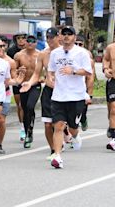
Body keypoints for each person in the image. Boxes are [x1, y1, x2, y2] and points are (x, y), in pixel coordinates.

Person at [47, 26, 92, 169]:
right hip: (59, 96)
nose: (66, 37)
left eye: (69, 34)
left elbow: (87, 72)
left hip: (76, 96)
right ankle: (58, 156)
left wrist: (72, 71)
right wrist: (51, 78)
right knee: (58, 126)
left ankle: (76, 136)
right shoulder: (55, 53)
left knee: (72, 128)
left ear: (74, 36)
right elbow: (50, 71)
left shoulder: (81, 53)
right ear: (60, 36)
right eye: (64, 34)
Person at [20, 27, 60, 160]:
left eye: (52, 37)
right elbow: (37, 74)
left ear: (58, 37)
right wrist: (29, 83)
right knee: (48, 124)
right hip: (48, 91)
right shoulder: (43, 54)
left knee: (61, 124)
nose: (49, 40)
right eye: (47, 37)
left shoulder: (66, 52)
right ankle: (54, 150)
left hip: (64, 92)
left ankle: (65, 135)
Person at [14, 34, 40, 148]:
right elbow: (13, 71)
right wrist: (18, 71)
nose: (30, 43)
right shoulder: (19, 55)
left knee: (30, 106)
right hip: (23, 85)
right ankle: (27, 132)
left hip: (35, 85)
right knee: (24, 109)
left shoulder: (40, 55)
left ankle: (29, 130)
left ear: (36, 43)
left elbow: (45, 70)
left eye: (32, 41)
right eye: (28, 40)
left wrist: (43, 78)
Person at [0, 37, 17, 155]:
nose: (2, 48)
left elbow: (13, 78)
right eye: (0, 46)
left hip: (5, 93)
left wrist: (18, 78)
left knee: (1, 120)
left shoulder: (10, 62)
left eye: (4, 46)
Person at [7, 31, 27, 141]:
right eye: (18, 38)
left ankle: (29, 124)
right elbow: (9, 67)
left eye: (23, 38)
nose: (21, 40)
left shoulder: (31, 50)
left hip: (28, 80)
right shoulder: (11, 51)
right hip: (16, 80)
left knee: (28, 106)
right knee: (20, 105)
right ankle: (22, 127)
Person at [76, 34, 94, 131]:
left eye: (80, 44)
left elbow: (90, 77)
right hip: (71, 88)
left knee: (82, 112)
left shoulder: (87, 55)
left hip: (83, 88)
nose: (78, 46)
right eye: (76, 44)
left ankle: (83, 120)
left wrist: (89, 94)